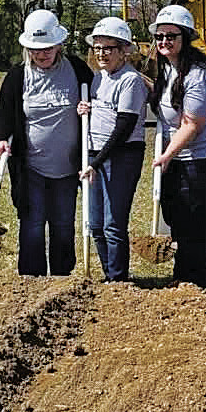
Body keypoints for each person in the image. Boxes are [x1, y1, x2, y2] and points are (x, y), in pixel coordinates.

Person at [0, 10, 93, 276]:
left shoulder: (77, 70)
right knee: (32, 224)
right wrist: (2, 139)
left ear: (59, 44)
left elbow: (98, 99)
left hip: (68, 168)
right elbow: (4, 114)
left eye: (48, 47)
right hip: (31, 169)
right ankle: (31, 277)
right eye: (36, 49)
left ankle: (62, 276)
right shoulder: (17, 76)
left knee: (63, 224)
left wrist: (90, 107)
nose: (42, 54)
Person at [150, 4, 206, 288]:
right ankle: (183, 278)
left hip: (203, 156)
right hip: (178, 155)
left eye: (171, 36)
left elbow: (193, 124)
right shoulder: (168, 69)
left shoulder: (199, 74)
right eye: (160, 36)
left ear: (185, 38)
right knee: (177, 216)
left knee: (195, 218)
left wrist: (166, 155)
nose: (164, 41)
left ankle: (196, 282)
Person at [76, 16, 146, 282]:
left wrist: (95, 163)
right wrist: (87, 109)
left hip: (121, 155)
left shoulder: (130, 81)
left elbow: (124, 128)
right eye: (97, 48)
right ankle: (109, 277)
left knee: (112, 223)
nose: (101, 54)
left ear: (124, 50)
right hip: (94, 153)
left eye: (108, 48)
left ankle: (118, 279)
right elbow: (102, 111)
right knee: (95, 224)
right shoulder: (98, 78)